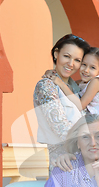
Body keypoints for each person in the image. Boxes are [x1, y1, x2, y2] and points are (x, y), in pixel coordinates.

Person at [33, 34, 90, 173]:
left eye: (77, 60)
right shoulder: (46, 86)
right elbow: (61, 128)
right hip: (63, 165)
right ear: (56, 53)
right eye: (67, 56)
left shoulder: (75, 88)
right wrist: (95, 144)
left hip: (87, 163)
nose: (71, 64)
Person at [48, 47, 99, 124]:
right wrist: (52, 73)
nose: (86, 70)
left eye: (92, 67)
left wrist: (60, 83)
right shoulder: (85, 82)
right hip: (96, 123)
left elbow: (80, 105)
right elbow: (69, 83)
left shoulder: (96, 82)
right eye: (84, 64)